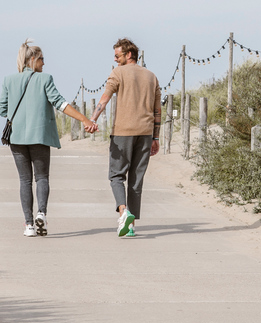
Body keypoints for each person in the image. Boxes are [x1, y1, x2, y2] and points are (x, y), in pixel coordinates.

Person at [0, 39, 98, 237]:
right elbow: (60, 103)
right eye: (42, 59)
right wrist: (85, 120)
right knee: (42, 177)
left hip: (17, 139)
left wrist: (18, 117)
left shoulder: (9, 80)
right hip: (39, 137)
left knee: (24, 180)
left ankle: (28, 225)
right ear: (33, 59)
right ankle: (41, 214)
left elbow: (2, 108)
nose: (44, 63)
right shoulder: (45, 79)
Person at [90, 38, 161, 237]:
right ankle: (131, 227)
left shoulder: (118, 73)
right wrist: (156, 137)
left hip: (123, 132)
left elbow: (104, 98)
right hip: (146, 133)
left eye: (117, 56)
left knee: (116, 175)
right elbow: (157, 110)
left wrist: (92, 119)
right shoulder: (151, 76)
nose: (115, 60)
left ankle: (123, 213)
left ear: (129, 54)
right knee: (136, 179)